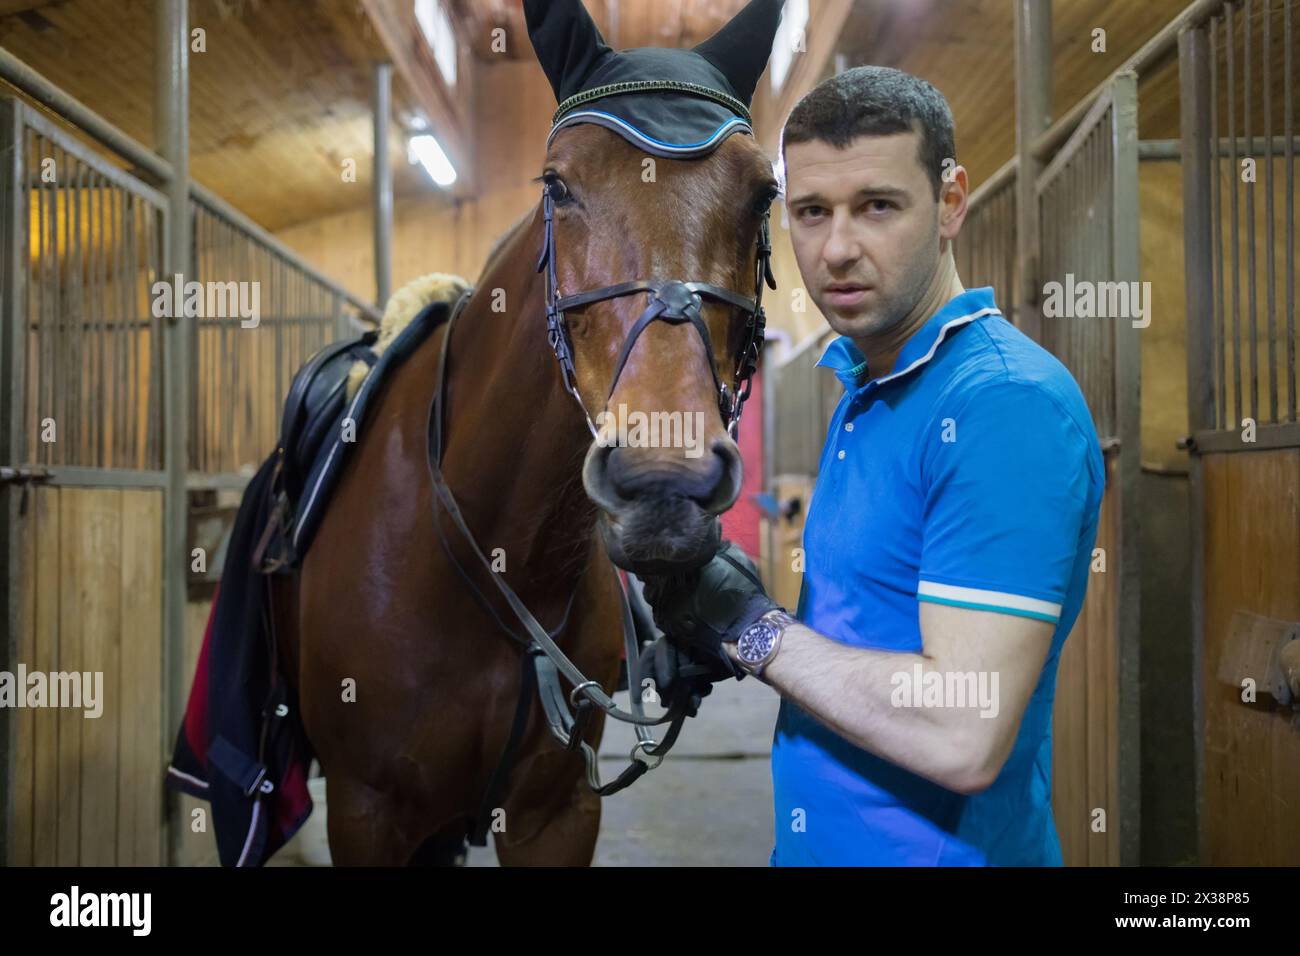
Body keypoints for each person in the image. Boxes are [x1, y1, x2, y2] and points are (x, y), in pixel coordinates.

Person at [639, 66, 1105, 866]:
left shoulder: (1002, 405)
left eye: (877, 206)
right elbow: (865, 633)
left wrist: (751, 629)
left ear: (951, 202)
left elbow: (964, 730)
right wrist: (726, 630)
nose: (838, 249)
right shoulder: (873, 386)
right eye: (812, 213)